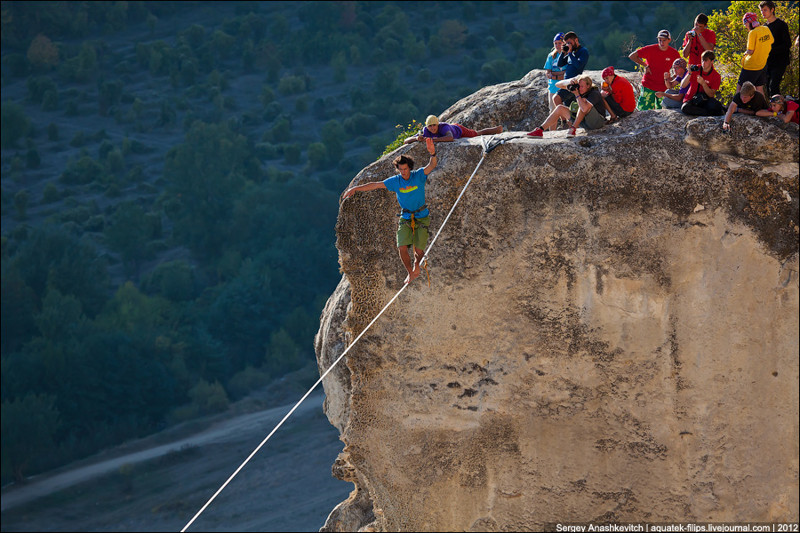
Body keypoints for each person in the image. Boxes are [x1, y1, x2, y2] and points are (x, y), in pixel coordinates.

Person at [341, 141, 437, 284]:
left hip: (421, 216)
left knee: (419, 251)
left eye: (405, 169)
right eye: (401, 169)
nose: (403, 172)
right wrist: (355, 189)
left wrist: (432, 153)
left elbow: (432, 165)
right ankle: (410, 273)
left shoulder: (418, 176)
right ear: (398, 169)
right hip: (405, 216)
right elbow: (375, 185)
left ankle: (417, 266)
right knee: (402, 247)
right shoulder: (395, 181)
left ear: (409, 167)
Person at [527, 75, 606, 137]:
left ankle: (573, 128)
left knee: (583, 102)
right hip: (585, 122)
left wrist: (577, 95)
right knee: (560, 108)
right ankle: (540, 130)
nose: (580, 88)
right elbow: (557, 84)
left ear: (588, 86)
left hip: (597, 122)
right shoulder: (578, 90)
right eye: (579, 86)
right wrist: (570, 81)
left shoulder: (594, 93)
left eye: (582, 86)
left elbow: (584, 109)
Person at [629, 29, 681, 110]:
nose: (662, 42)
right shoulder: (650, 49)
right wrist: (645, 65)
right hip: (648, 85)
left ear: (669, 40)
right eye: (660, 40)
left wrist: (673, 77)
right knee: (643, 111)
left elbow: (681, 67)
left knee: (663, 113)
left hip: (663, 87)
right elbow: (632, 56)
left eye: (664, 40)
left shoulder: (674, 53)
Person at [737, 12, 773, 97]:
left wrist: (745, 53)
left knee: (740, 87)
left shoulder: (752, 33)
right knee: (759, 88)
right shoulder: (766, 28)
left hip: (751, 66)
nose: (745, 26)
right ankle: (763, 107)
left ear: (749, 22)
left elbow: (750, 51)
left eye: (745, 24)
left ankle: (736, 107)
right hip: (762, 64)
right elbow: (771, 41)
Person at [759, 1, 790, 97]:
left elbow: (787, 44)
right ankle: (775, 110)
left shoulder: (781, 25)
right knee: (768, 88)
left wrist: (771, 51)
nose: (762, 13)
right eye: (761, 10)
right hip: (768, 62)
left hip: (780, 61)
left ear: (772, 10)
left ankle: (779, 110)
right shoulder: (764, 27)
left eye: (765, 10)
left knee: (773, 87)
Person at [404, 115, 502, 145]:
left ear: (437, 124)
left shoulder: (443, 127)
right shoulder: (425, 131)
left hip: (458, 130)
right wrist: (417, 139)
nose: (432, 128)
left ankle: (496, 129)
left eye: (434, 125)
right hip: (452, 129)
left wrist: (432, 140)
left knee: (476, 134)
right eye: (430, 126)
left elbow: (450, 138)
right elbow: (406, 141)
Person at [681, 50, 724, 116]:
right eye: (702, 60)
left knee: (716, 106)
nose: (703, 63)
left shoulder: (716, 76)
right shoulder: (696, 69)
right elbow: (683, 85)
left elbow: (711, 94)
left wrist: (703, 83)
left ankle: (704, 112)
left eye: (706, 61)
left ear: (712, 61)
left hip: (705, 100)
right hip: (692, 99)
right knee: (685, 108)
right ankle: (708, 113)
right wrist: (689, 73)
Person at [553, 31, 589, 108]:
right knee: (569, 107)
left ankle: (564, 120)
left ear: (576, 40)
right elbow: (559, 64)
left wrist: (569, 53)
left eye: (570, 43)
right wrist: (563, 52)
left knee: (556, 98)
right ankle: (567, 119)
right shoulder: (572, 53)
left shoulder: (583, 51)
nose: (569, 45)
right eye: (567, 43)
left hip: (574, 82)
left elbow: (578, 65)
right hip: (567, 83)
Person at [543, 32, 567, 120]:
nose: (557, 45)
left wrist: (554, 74)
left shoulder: (568, 55)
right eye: (555, 43)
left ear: (564, 43)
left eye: (559, 43)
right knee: (552, 111)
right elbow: (548, 72)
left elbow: (566, 74)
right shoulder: (551, 56)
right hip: (553, 87)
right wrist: (557, 75)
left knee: (566, 111)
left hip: (565, 87)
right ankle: (552, 133)